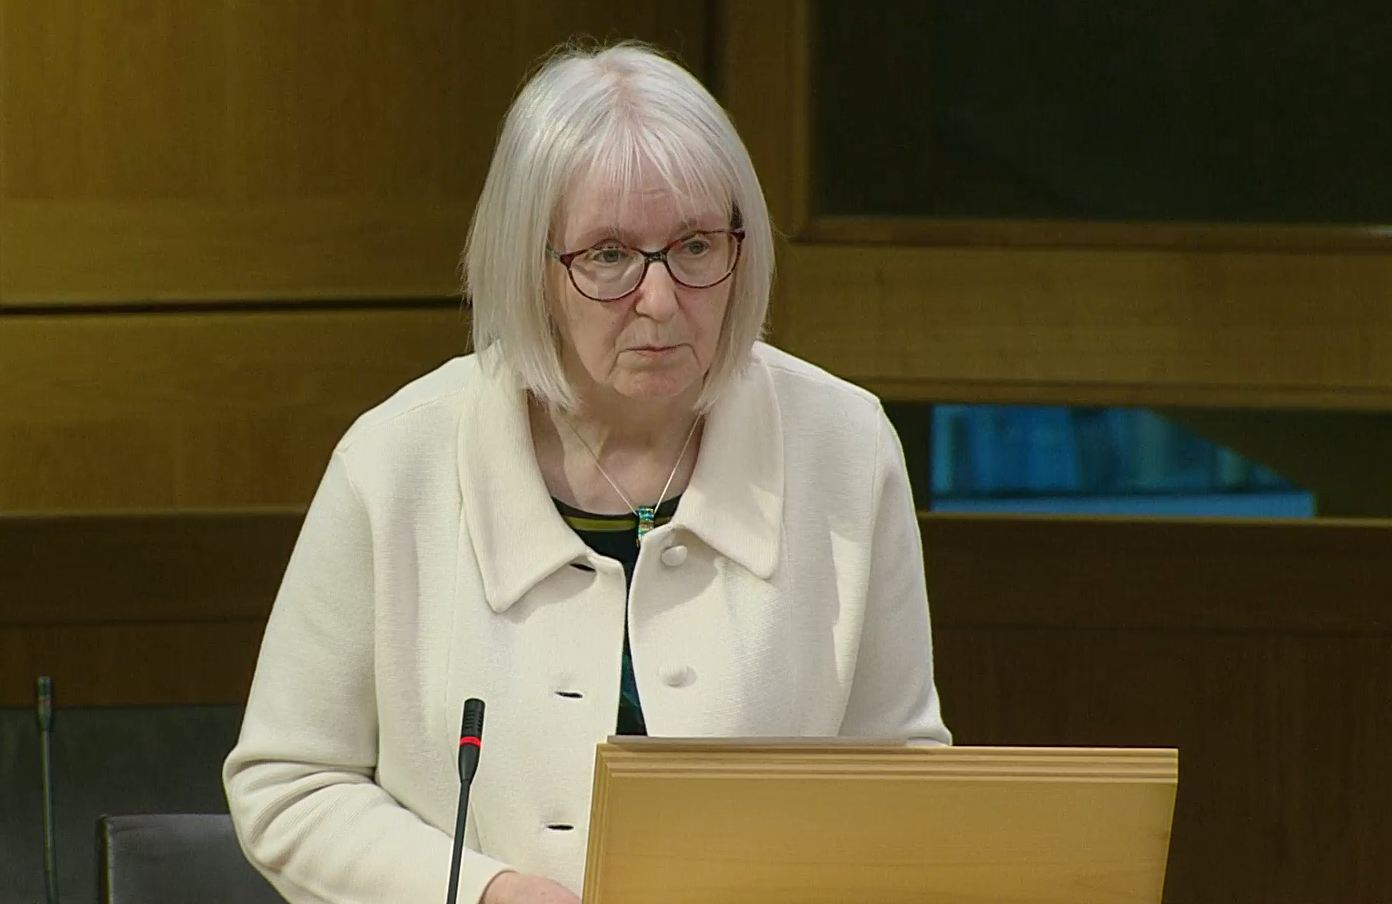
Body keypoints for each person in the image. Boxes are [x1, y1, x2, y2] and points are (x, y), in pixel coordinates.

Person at [222, 39, 950, 904]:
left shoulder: (845, 444)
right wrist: (483, 895)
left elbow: (901, 783)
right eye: (607, 255)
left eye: (693, 246)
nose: (659, 298)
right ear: (530, 266)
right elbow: (291, 786)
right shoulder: (395, 463)